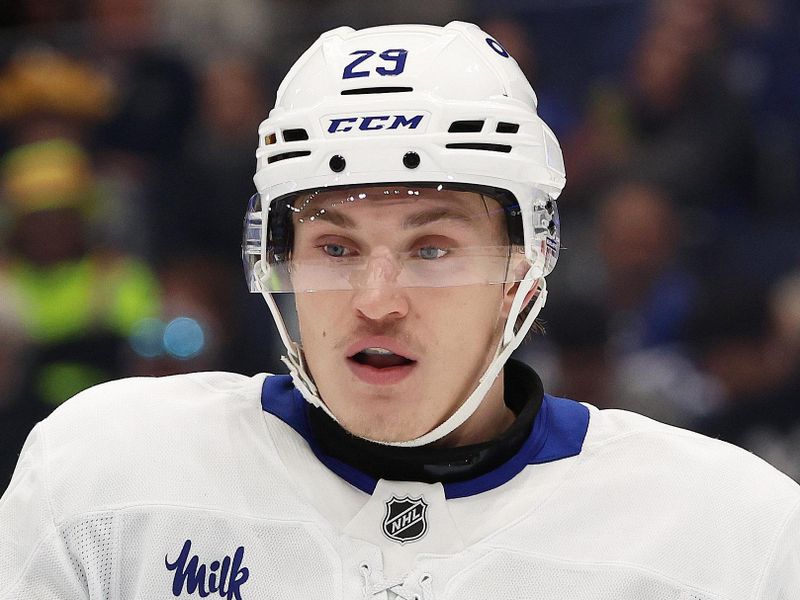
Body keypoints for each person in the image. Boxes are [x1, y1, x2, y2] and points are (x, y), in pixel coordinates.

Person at [1, 22, 797, 599]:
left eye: (433, 249)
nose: (376, 303)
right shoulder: (108, 474)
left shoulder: (730, 533)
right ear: (275, 259)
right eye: (336, 249)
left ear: (527, 264)